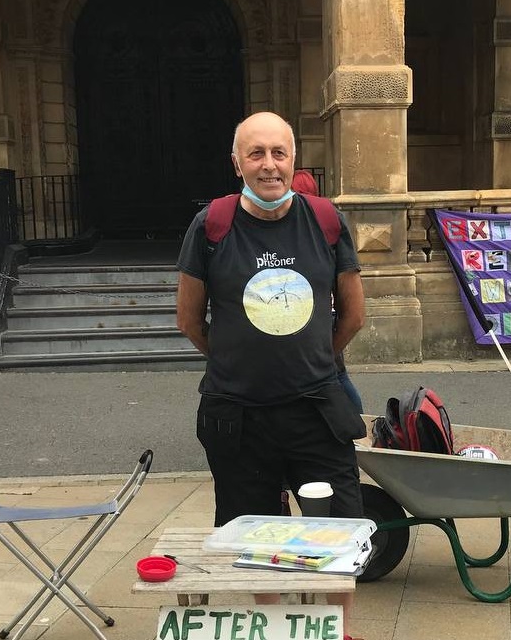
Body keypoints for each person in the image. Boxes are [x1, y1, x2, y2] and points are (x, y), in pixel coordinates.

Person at [176, 112, 365, 639]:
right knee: (253, 535)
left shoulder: (326, 221)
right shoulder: (211, 225)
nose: (268, 165)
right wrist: (237, 360)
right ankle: (276, 627)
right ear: (236, 162)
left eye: (278, 153)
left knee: (336, 532)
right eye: (255, 153)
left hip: (316, 413)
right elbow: (190, 319)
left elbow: (353, 315)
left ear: (293, 159)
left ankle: (337, 631)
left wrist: (313, 361)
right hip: (239, 417)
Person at [289, 168, 365, 413]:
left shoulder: (311, 220)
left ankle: (356, 422)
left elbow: (356, 315)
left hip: (317, 311)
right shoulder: (324, 217)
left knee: (334, 373)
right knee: (334, 372)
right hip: (326, 309)